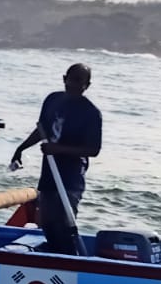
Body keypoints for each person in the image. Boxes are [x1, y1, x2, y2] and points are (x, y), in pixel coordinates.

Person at [10, 63, 102, 254]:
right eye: (72, 80)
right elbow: (42, 129)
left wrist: (57, 149)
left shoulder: (91, 113)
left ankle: (70, 259)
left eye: (80, 82)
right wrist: (22, 147)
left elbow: (93, 149)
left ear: (87, 85)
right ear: (64, 79)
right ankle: (52, 256)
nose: (75, 85)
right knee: (47, 222)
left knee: (65, 224)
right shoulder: (52, 100)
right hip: (49, 174)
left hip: (70, 177)